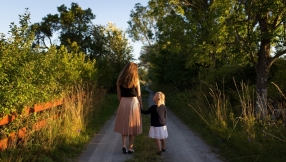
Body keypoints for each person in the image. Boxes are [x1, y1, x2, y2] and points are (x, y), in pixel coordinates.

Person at [114, 62, 143, 154]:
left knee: (124, 125)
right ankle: (130, 147)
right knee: (133, 125)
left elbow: (119, 95)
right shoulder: (136, 79)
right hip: (134, 102)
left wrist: (122, 102)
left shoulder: (119, 80)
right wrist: (141, 105)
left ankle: (123, 146)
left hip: (123, 102)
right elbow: (138, 94)